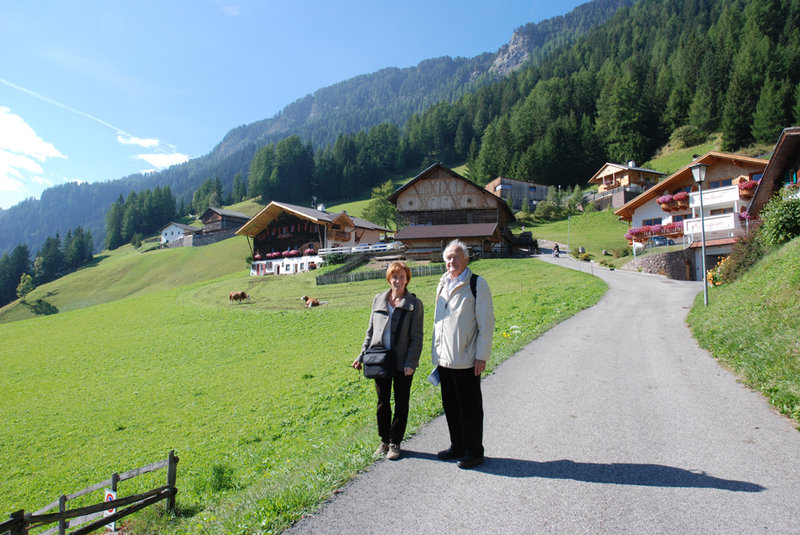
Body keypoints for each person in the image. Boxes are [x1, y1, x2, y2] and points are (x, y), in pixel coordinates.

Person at [431, 239, 494, 469]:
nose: (452, 261)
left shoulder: (477, 284)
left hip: (467, 359)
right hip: (445, 359)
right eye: (448, 258)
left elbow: (486, 323)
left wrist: (481, 356)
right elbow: (439, 322)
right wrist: (436, 355)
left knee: (470, 409)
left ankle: (474, 452)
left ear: (466, 259)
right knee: (451, 407)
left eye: (456, 257)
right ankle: (457, 446)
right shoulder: (442, 283)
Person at [353, 261, 424, 460]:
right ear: (388, 279)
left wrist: (411, 362)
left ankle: (395, 443)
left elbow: (417, 337)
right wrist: (361, 356)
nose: (397, 281)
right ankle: (384, 441)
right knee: (382, 402)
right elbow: (370, 332)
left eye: (402, 277)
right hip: (380, 359)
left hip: (402, 362)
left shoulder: (414, 304)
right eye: (394, 277)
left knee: (401, 402)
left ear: (407, 280)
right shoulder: (378, 300)